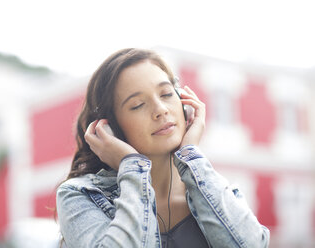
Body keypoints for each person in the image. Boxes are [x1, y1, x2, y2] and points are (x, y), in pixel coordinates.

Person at [56, 48, 270, 248]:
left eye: (167, 94)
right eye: (138, 105)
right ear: (110, 128)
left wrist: (191, 155)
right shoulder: (80, 195)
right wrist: (131, 166)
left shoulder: (218, 190)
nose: (161, 110)